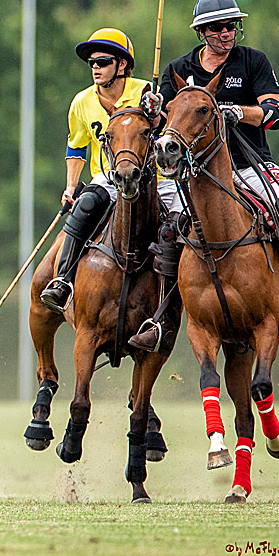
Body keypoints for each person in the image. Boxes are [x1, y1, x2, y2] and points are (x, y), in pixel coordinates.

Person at [129, 0, 279, 348]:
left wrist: (239, 111)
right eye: (219, 27)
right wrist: (152, 108)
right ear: (203, 31)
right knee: (168, 228)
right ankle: (163, 317)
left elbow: (274, 113)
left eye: (232, 26)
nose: (227, 33)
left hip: (250, 163)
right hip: (198, 174)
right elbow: (164, 124)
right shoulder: (179, 70)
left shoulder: (253, 61)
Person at [39, 28, 185, 350]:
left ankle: (169, 310)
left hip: (155, 181)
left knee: (179, 229)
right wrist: (70, 186)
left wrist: (159, 112)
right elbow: (76, 148)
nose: (95, 67)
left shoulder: (145, 92)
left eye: (102, 61)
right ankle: (63, 280)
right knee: (86, 204)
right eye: (91, 62)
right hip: (108, 177)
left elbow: (168, 129)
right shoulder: (81, 102)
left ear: (122, 65)